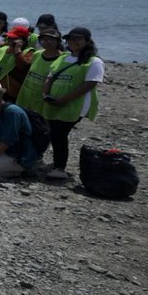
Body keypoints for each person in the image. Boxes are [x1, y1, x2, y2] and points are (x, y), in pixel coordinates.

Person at [41, 27, 102, 181]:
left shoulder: (93, 61)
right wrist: (46, 94)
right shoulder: (63, 57)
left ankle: (60, 167)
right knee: (53, 132)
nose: (73, 42)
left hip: (75, 105)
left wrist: (64, 100)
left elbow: (89, 85)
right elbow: (50, 76)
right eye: (70, 38)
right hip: (53, 102)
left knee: (60, 134)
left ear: (87, 41)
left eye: (78, 39)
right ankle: (56, 164)